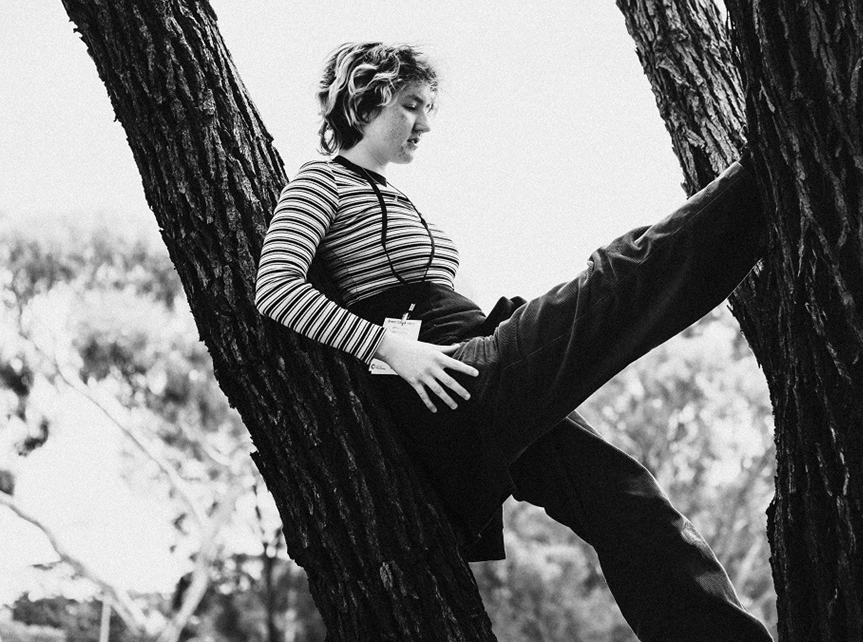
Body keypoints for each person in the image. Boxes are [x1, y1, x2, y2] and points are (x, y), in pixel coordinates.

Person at [256, 42, 772, 642]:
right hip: (447, 380)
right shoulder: (320, 181)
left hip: (472, 361)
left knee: (628, 502)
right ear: (366, 99)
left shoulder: (394, 193)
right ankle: (768, 175)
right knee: (613, 284)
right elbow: (276, 287)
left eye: (429, 107)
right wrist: (386, 348)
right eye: (411, 105)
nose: (425, 122)